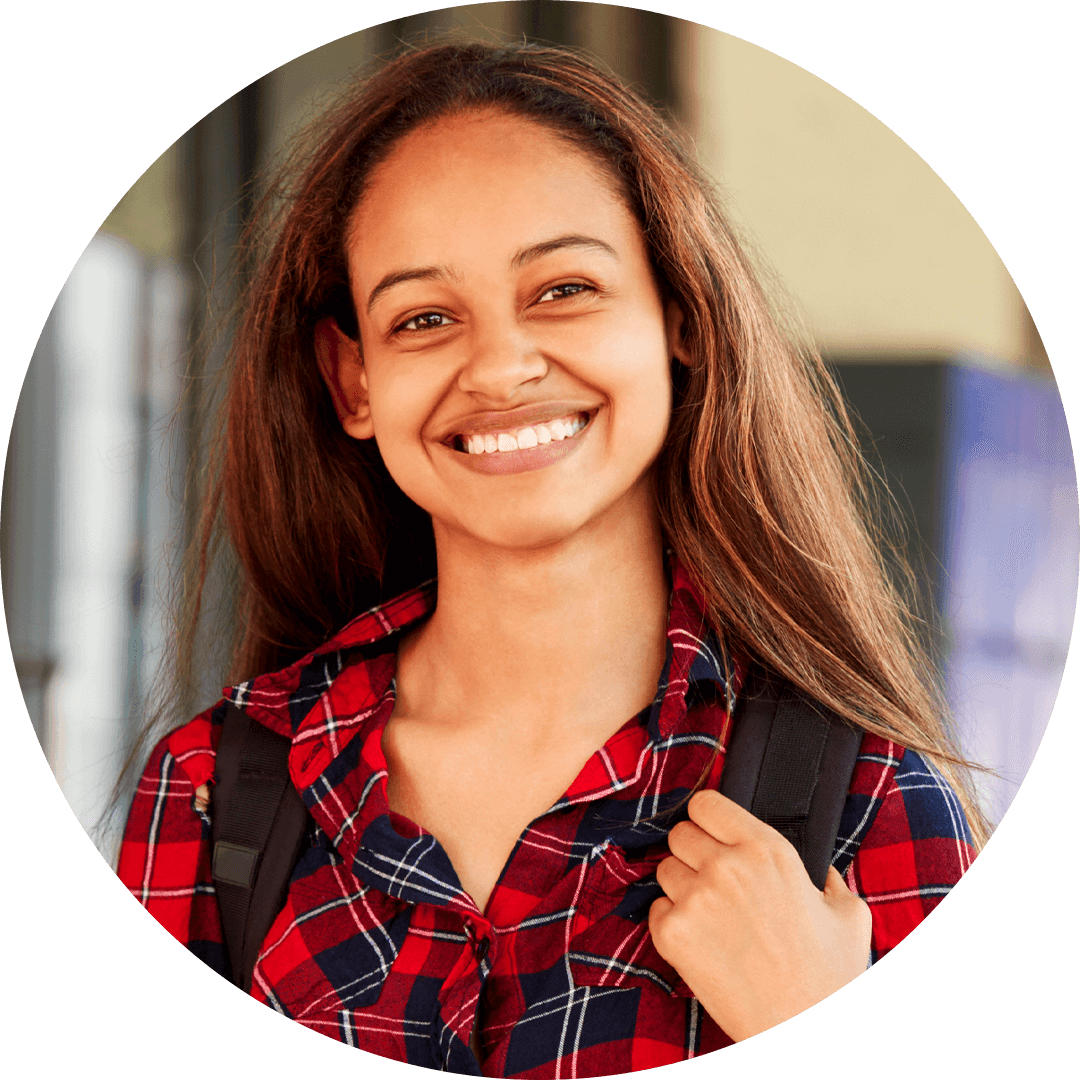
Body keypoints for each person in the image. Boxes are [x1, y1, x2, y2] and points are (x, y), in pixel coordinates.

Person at [117, 39, 983, 1073]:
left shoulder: (866, 803)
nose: (500, 366)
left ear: (678, 314)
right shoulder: (219, 793)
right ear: (353, 382)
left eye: (563, 290)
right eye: (425, 317)